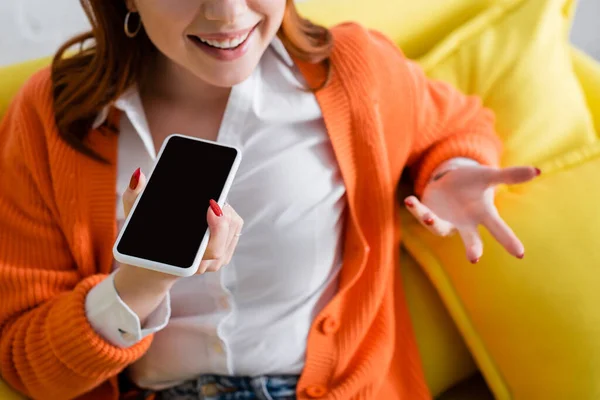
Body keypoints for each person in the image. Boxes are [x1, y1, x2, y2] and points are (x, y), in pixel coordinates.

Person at [0, 0, 540, 399]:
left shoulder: (355, 73)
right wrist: (139, 286)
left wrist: (451, 171)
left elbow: (455, 122)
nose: (228, 13)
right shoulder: (51, 119)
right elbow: (27, 367)